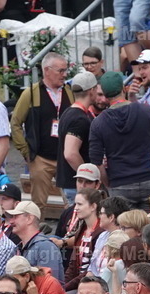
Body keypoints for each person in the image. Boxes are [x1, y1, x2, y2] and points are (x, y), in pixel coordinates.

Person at [89, 72, 150, 208]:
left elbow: (96, 162)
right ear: (124, 88)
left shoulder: (98, 123)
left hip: (120, 183)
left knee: (125, 228)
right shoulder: (144, 110)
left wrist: (109, 183)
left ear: (104, 94)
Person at [10, 52, 72, 207]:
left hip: (65, 157)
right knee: (38, 205)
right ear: (47, 70)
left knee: (71, 202)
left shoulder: (69, 92)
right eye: (60, 71)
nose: (64, 75)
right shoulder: (31, 93)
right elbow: (15, 123)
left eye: (65, 70)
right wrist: (26, 151)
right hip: (41, 159)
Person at [57, 71, 99, 202]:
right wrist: (87, 176)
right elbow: (70, 153)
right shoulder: (79, 118)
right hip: (76, 186)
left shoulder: (68, 113)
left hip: (70, 182)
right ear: (91, 90)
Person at [9, 200, 63, 280]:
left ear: (29, 219)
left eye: (15, 216)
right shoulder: (17, 249)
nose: (11, 221)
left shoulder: (45, 247)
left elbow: (48, 285)